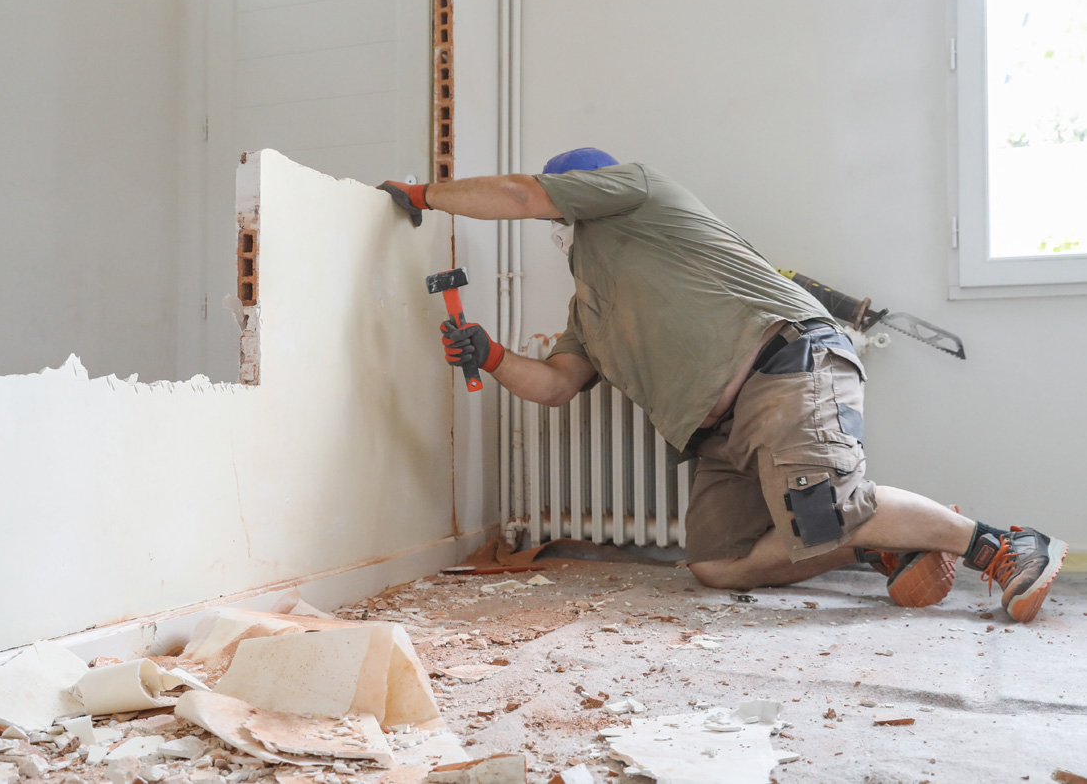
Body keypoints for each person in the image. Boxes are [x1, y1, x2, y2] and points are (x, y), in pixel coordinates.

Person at [379, 149, 1067, 623]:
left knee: (828, 503)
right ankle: (880, 540)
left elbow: (519, 193)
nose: (554, 223)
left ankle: (1001, 545)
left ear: (585, 195)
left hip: (784, 365)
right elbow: (558, 383)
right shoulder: (589, 306)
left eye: (558, 209)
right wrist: (493, 355)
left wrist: (422, 195)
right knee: (717, 563)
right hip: (722, 435)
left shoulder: (639, 189)